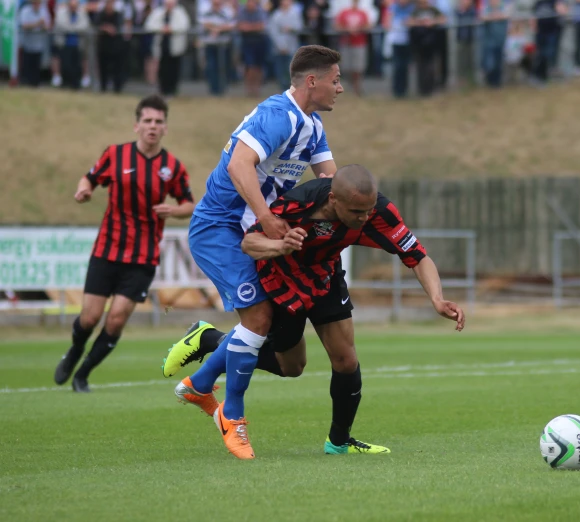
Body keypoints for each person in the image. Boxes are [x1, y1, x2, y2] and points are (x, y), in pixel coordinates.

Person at [166, 165, 465, 459]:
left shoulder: (378, 213)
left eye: (368, 210)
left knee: (346, 359)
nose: (364, 219)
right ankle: (211, 340)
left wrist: (437, 299)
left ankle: (339, 441)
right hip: (282, 278)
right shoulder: (298, 203)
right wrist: (281, 245)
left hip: (325, 276)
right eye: (356, 213)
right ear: (334, 201)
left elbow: (416, 255)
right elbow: (250, 242)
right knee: (291, 367)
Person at [183, 45, 342, 459]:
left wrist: (359, 214)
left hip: (253, 229)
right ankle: (230, 417)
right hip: (220, 227)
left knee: (288, 352)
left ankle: (200, 383)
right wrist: (267, 217)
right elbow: (239, 165)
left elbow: (330, 182)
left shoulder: (312, 125)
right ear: (313, 81)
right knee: (259, 316)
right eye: (335, 79)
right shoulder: (277, 115)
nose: (340, 88)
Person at [54, 95, 195, 392]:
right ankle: (75, 350)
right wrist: (84, 191)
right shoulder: (115, 155)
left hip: (143, 257)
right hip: (107, 249)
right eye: (147, 121)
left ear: (165, 128)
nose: (152, 127)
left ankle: (82, 375)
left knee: (116, 321)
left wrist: (174, 210)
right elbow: (89, 178)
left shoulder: (172, 167)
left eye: (158, 122)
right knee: (90, 317)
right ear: (136, 125)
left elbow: (189, 204)